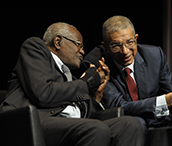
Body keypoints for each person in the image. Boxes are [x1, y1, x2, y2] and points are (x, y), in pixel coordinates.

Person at [0, 22, 144, 146]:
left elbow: (84, 115)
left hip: (71, 124)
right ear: (58, 41)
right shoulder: (36, 48)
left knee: (130, 125)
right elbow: (43, 93)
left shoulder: (71, 76)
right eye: (78, 45)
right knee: (95, 128)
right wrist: (87, 82)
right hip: (35, 121)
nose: (82, 51)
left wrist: (97, 94)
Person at [82, 16, 172, 134]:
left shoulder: (154, 56)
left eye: (130, 42)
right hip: (126, 125)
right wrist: (171, 99)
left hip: (158, 120)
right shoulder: (97, 64)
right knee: (136, 124)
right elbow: (119, 107)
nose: (125, 51)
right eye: (116, 46)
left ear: (136, 38)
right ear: (105, 47)